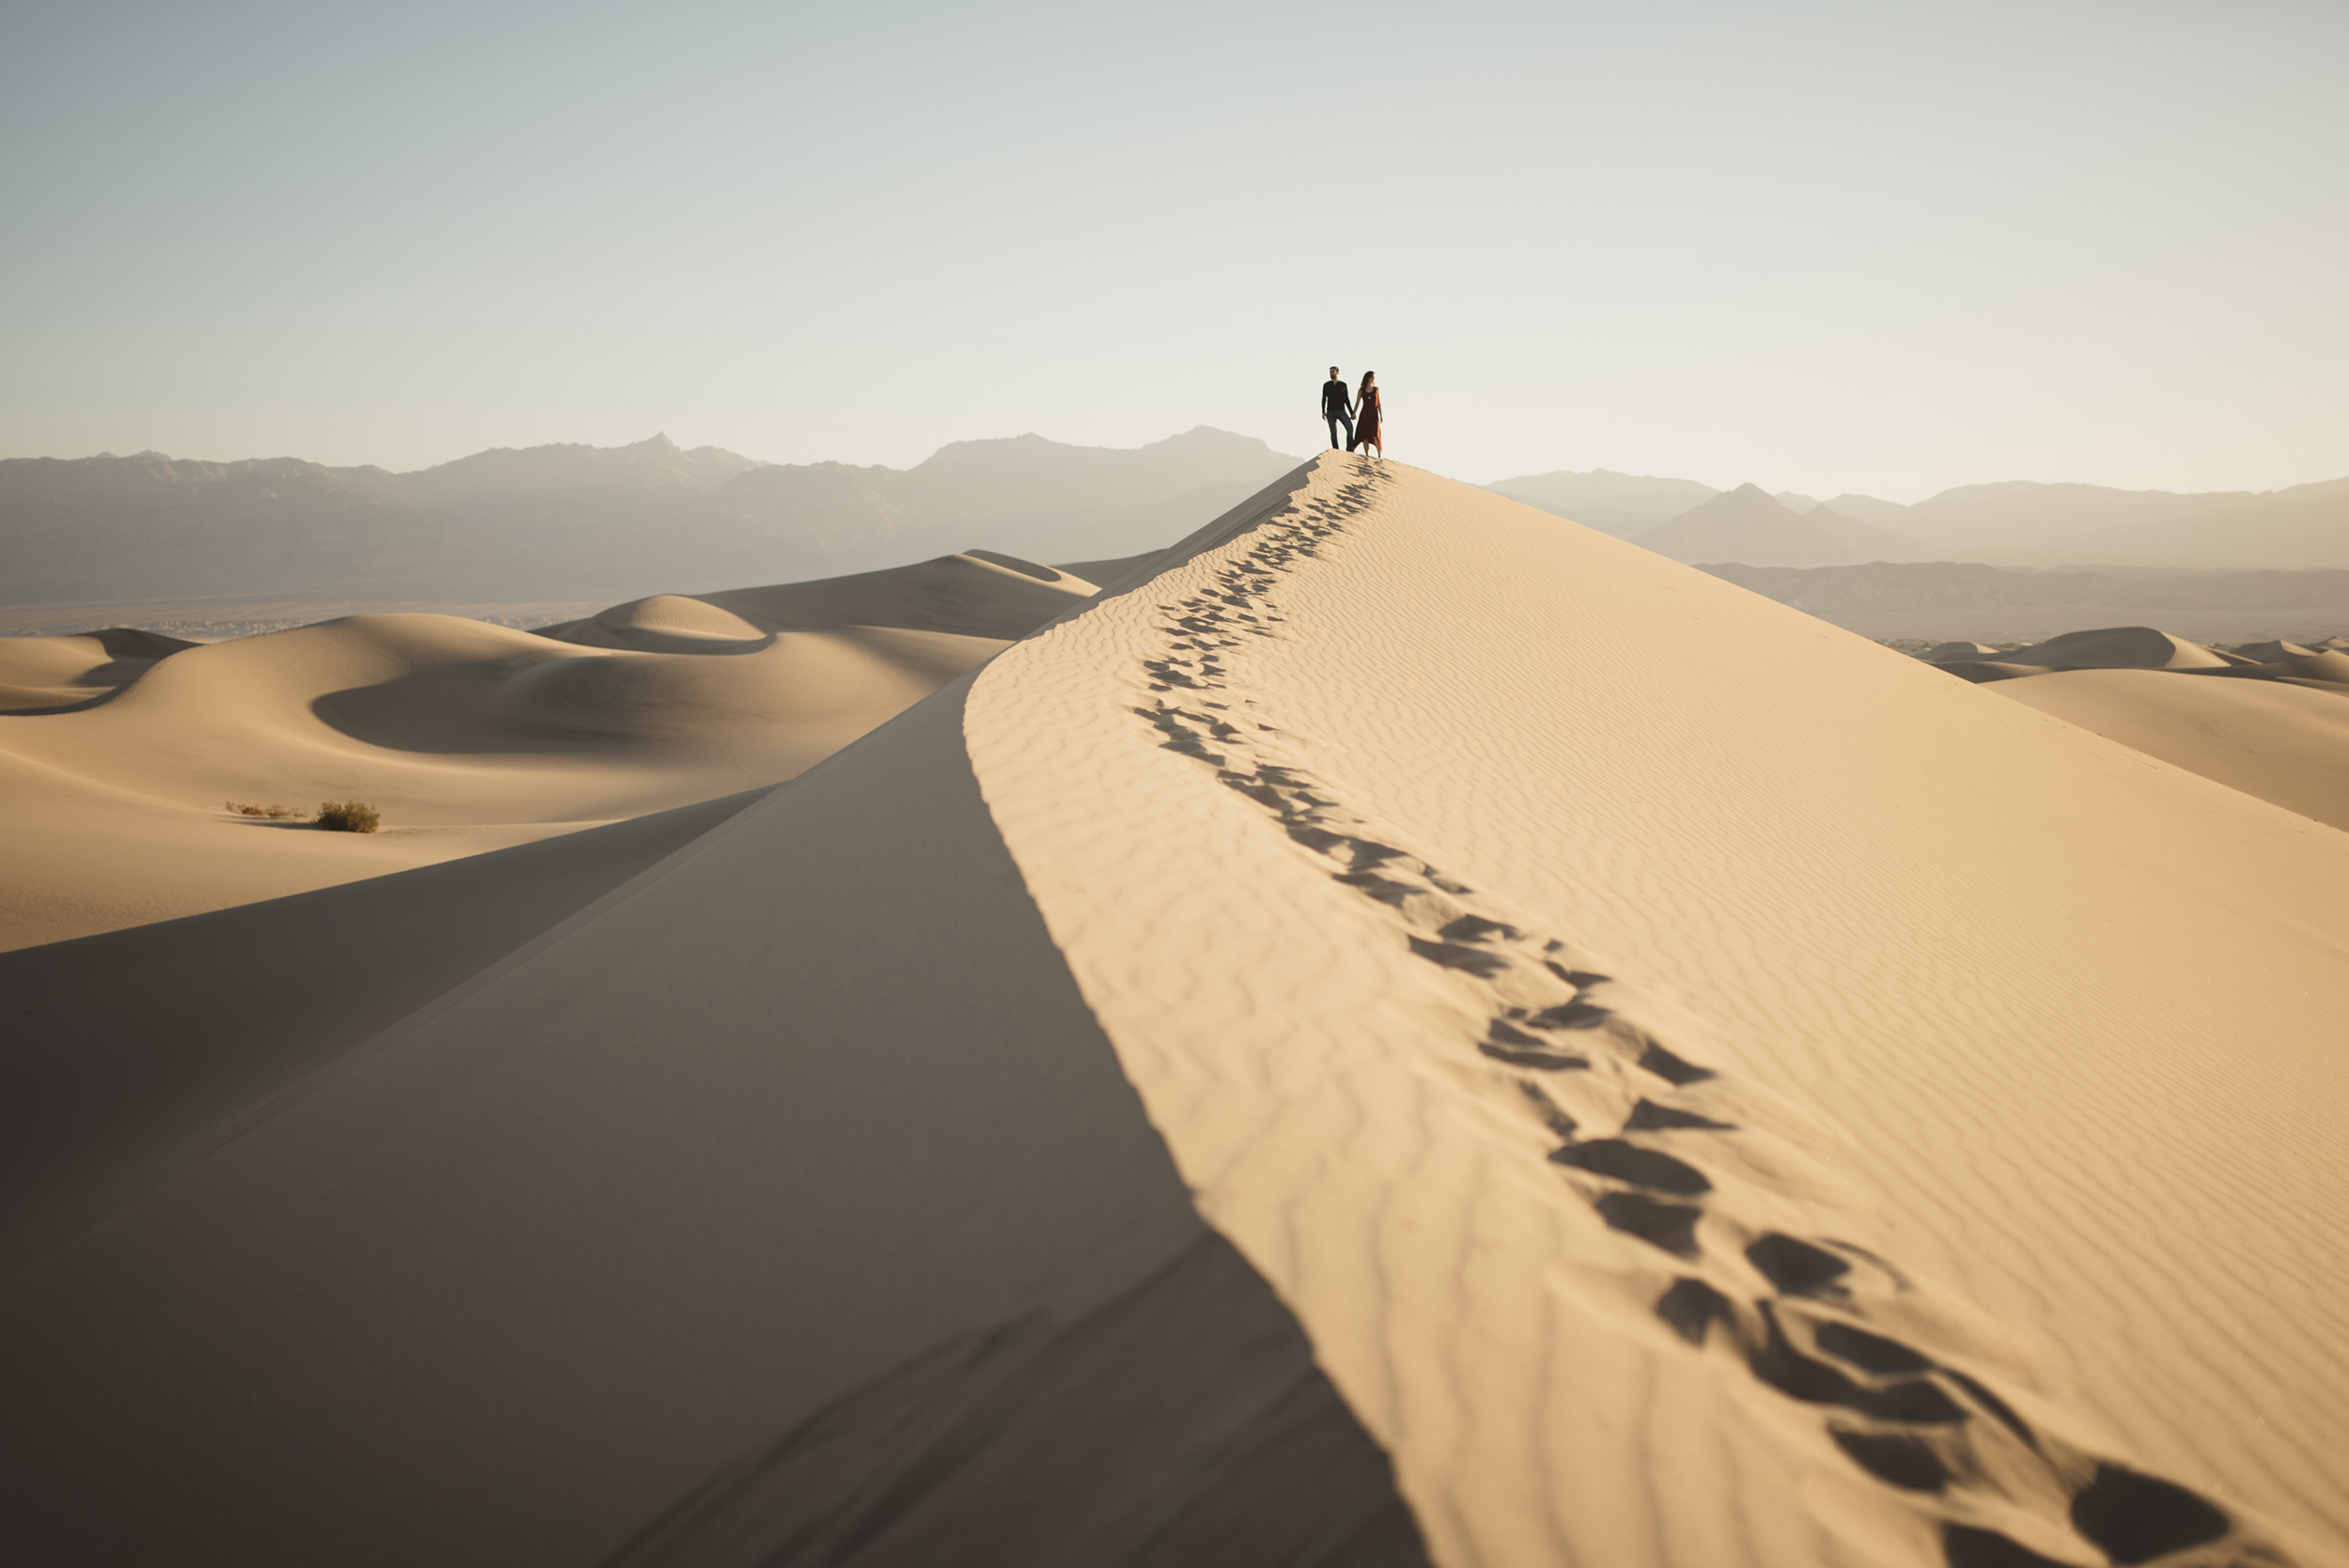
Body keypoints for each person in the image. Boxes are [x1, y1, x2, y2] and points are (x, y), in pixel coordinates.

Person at [1350, 371, 1383, 456]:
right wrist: (1354, 413)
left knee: (1375, 434)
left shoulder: (1376, 390)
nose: (1374, 379)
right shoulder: (1362, 390)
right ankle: (1367, 455)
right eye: (1373, 377)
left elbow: (1378, 403)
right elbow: (1357, 403)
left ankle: (1379, 455)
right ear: (1369, 378)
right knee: (1365, 435)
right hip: (1364, 414)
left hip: (1374, 415)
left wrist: (1381, 415)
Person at [1320, 366, 1354, 450]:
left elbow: (1346, 399)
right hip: (1330, 411)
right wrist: (1323, 411)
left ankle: (1349, 448)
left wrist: (1351, 412)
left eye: (1333, 372)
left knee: (1350, 427)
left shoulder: (1343, 385)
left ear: (1337, 372)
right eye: (1330, 372)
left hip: (1341, 410)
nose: (1331, 373)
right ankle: (1336, 450)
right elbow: (1324, 398)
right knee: (1333, 432)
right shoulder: (1327, 385)